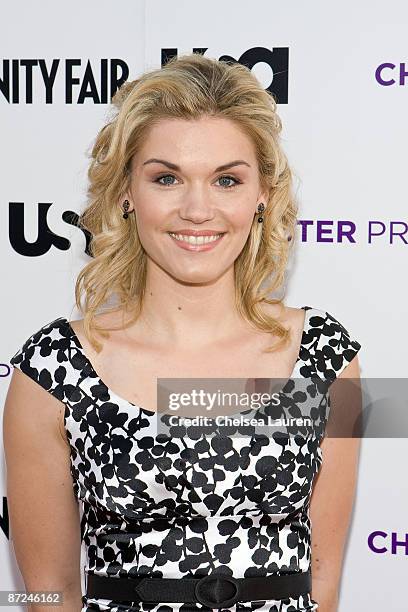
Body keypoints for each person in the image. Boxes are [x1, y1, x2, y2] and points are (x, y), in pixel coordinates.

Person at [3, 53, 362, 612]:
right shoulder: (54, 371)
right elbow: (50, 592)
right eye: (167, 178)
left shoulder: (323, 358)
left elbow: (325, 581)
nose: (198, 209)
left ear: (262, 194)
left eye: (226, 180)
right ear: (126, 192)